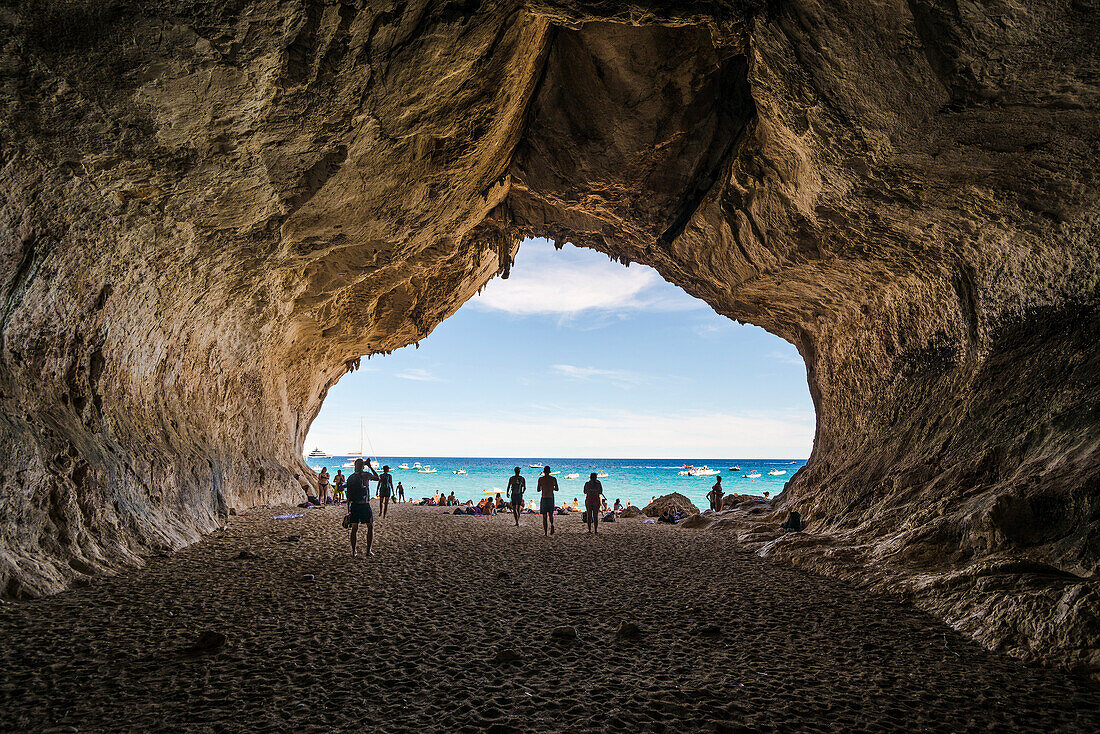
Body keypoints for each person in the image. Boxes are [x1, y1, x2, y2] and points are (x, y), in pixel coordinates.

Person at [345, 458, 379, 557]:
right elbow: (377, 478)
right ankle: (368, 551)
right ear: (363, 466)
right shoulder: (365, 475)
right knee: (370, 526)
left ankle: (353, 551)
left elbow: (348, 495)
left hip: (354, 505)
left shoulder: (350, 477)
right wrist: (370, 466)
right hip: (364, 504)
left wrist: (348, 510)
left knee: (354, 528)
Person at [538, 466, 558, 536]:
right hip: (551, 498)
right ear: (549, 472)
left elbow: (538, 489)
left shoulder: (541, 479)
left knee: (544, 516)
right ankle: (552, 524)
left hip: (544, 498)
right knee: (551, 514)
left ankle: (545, 533)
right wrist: (551, 488)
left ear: (544, 472)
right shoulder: (553, 479)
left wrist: (543, 487)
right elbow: (557, 489)